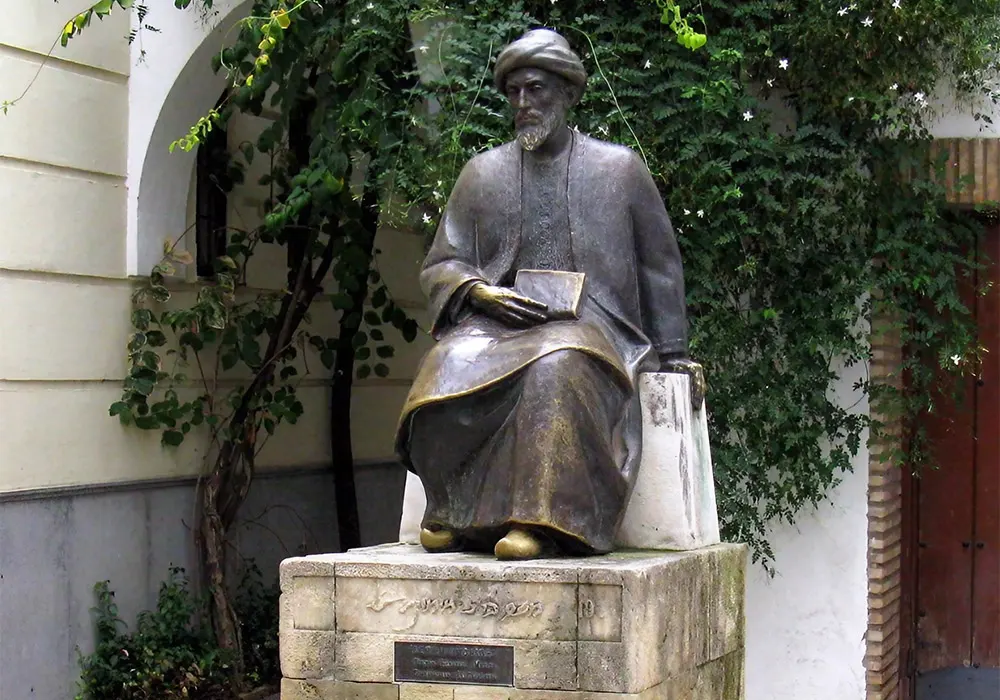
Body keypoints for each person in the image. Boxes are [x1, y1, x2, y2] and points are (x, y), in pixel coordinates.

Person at [395, 28, 694, 560]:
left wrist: (673, 354)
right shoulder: (481, 173)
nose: (523, 104)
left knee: (556, 367)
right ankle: (452, 510)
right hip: (498, 324)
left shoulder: (619, 169)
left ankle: (538, 521)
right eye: (514, 93)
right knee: (445, 364)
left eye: (535, 90)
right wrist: (479, 291)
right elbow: (443, 261)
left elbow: (660, 266)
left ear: (569, 93)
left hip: (594, 325)